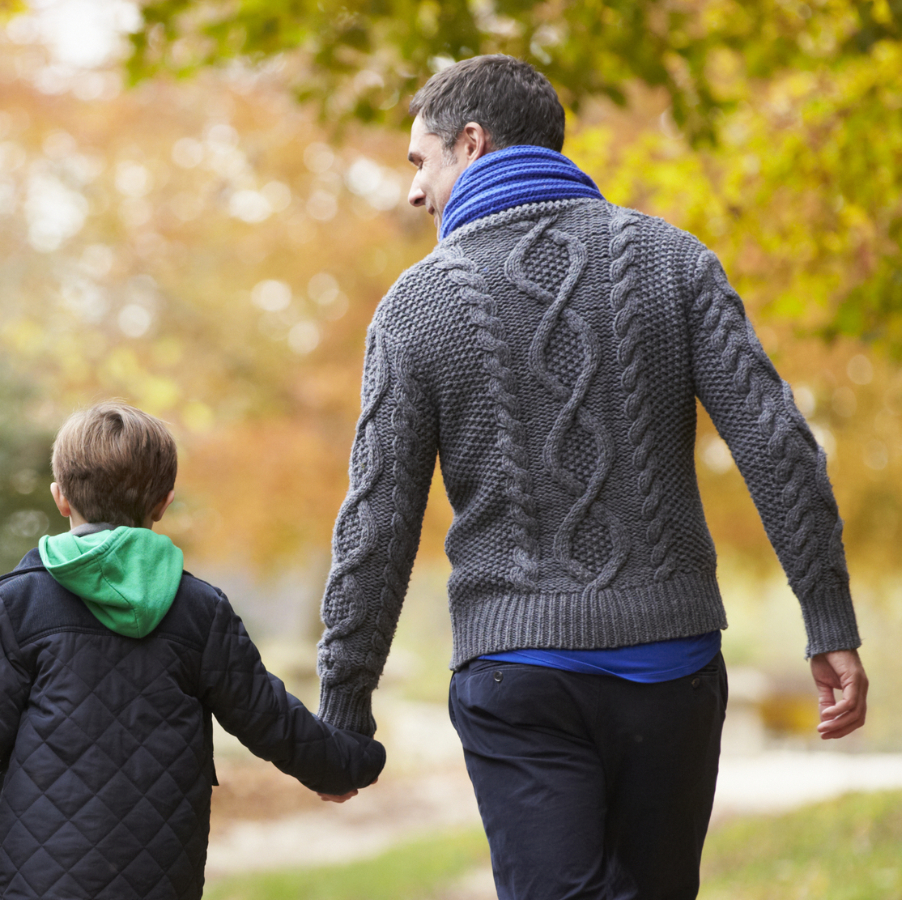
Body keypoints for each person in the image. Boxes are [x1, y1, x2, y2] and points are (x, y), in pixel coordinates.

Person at [314, 55, 868, 899]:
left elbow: (377, 520)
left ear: (472, 142)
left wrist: (344, 706)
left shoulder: (415, 305)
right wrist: (827, 617)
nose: (415, 192)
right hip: (671, 668)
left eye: (419, 162)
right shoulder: (674, 262)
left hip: (517, 671)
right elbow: (776, 441)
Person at [0, 401, 385, 900]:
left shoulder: (14, 604)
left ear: (60, 495)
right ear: (164, 502)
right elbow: (267, 717)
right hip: (163, 873)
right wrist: (341, 767)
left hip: (41, 874)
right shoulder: (199, 610)